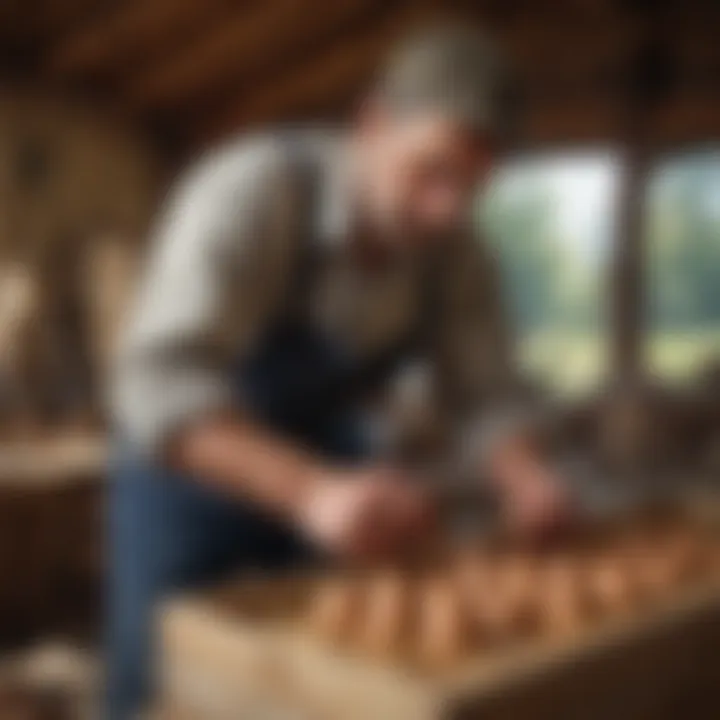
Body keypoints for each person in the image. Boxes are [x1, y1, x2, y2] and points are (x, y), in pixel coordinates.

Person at [108, 24, 571, 719]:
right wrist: (309, 491)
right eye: (433, 170)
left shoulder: (457, 250)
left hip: (327, 460)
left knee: (313, 678)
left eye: (473, 187)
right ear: (374, 121)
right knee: (166, 681)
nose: (448, 210)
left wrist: (523, 471)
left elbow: (489, 391)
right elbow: (154, 384)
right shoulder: (257, 191)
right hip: (192, 469)